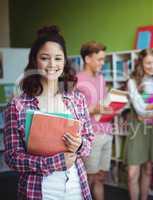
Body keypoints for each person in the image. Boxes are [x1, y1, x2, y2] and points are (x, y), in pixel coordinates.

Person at [3, 25, 94, 200]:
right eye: (45, 58)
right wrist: (53, 163)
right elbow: (12, 157)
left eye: (58, 58)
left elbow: (89, 141)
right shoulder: (18, 105)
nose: (52, 64)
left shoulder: (77, 99)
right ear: (35, 60)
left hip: (76, 186)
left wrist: (80, 144)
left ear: (64, 62)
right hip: (39, 191)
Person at [125, 48, 153, 200]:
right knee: (132, 173)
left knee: (148, 170)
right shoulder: (132, 82)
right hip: (137, 130)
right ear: (141, 64)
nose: (152, 66)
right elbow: (140, 109)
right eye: (148, 63)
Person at [76, 41, 113, 200]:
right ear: (87, 59)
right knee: (89, 179)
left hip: (107, 132)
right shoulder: (77, 80)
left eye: (103, 59)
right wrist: (93, 109)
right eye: (99, 59)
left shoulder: (101, 79)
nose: (102, 63)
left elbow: (104, 104)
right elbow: (74, 111)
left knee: (100, 177)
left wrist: (112, 108)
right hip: (90, 136)